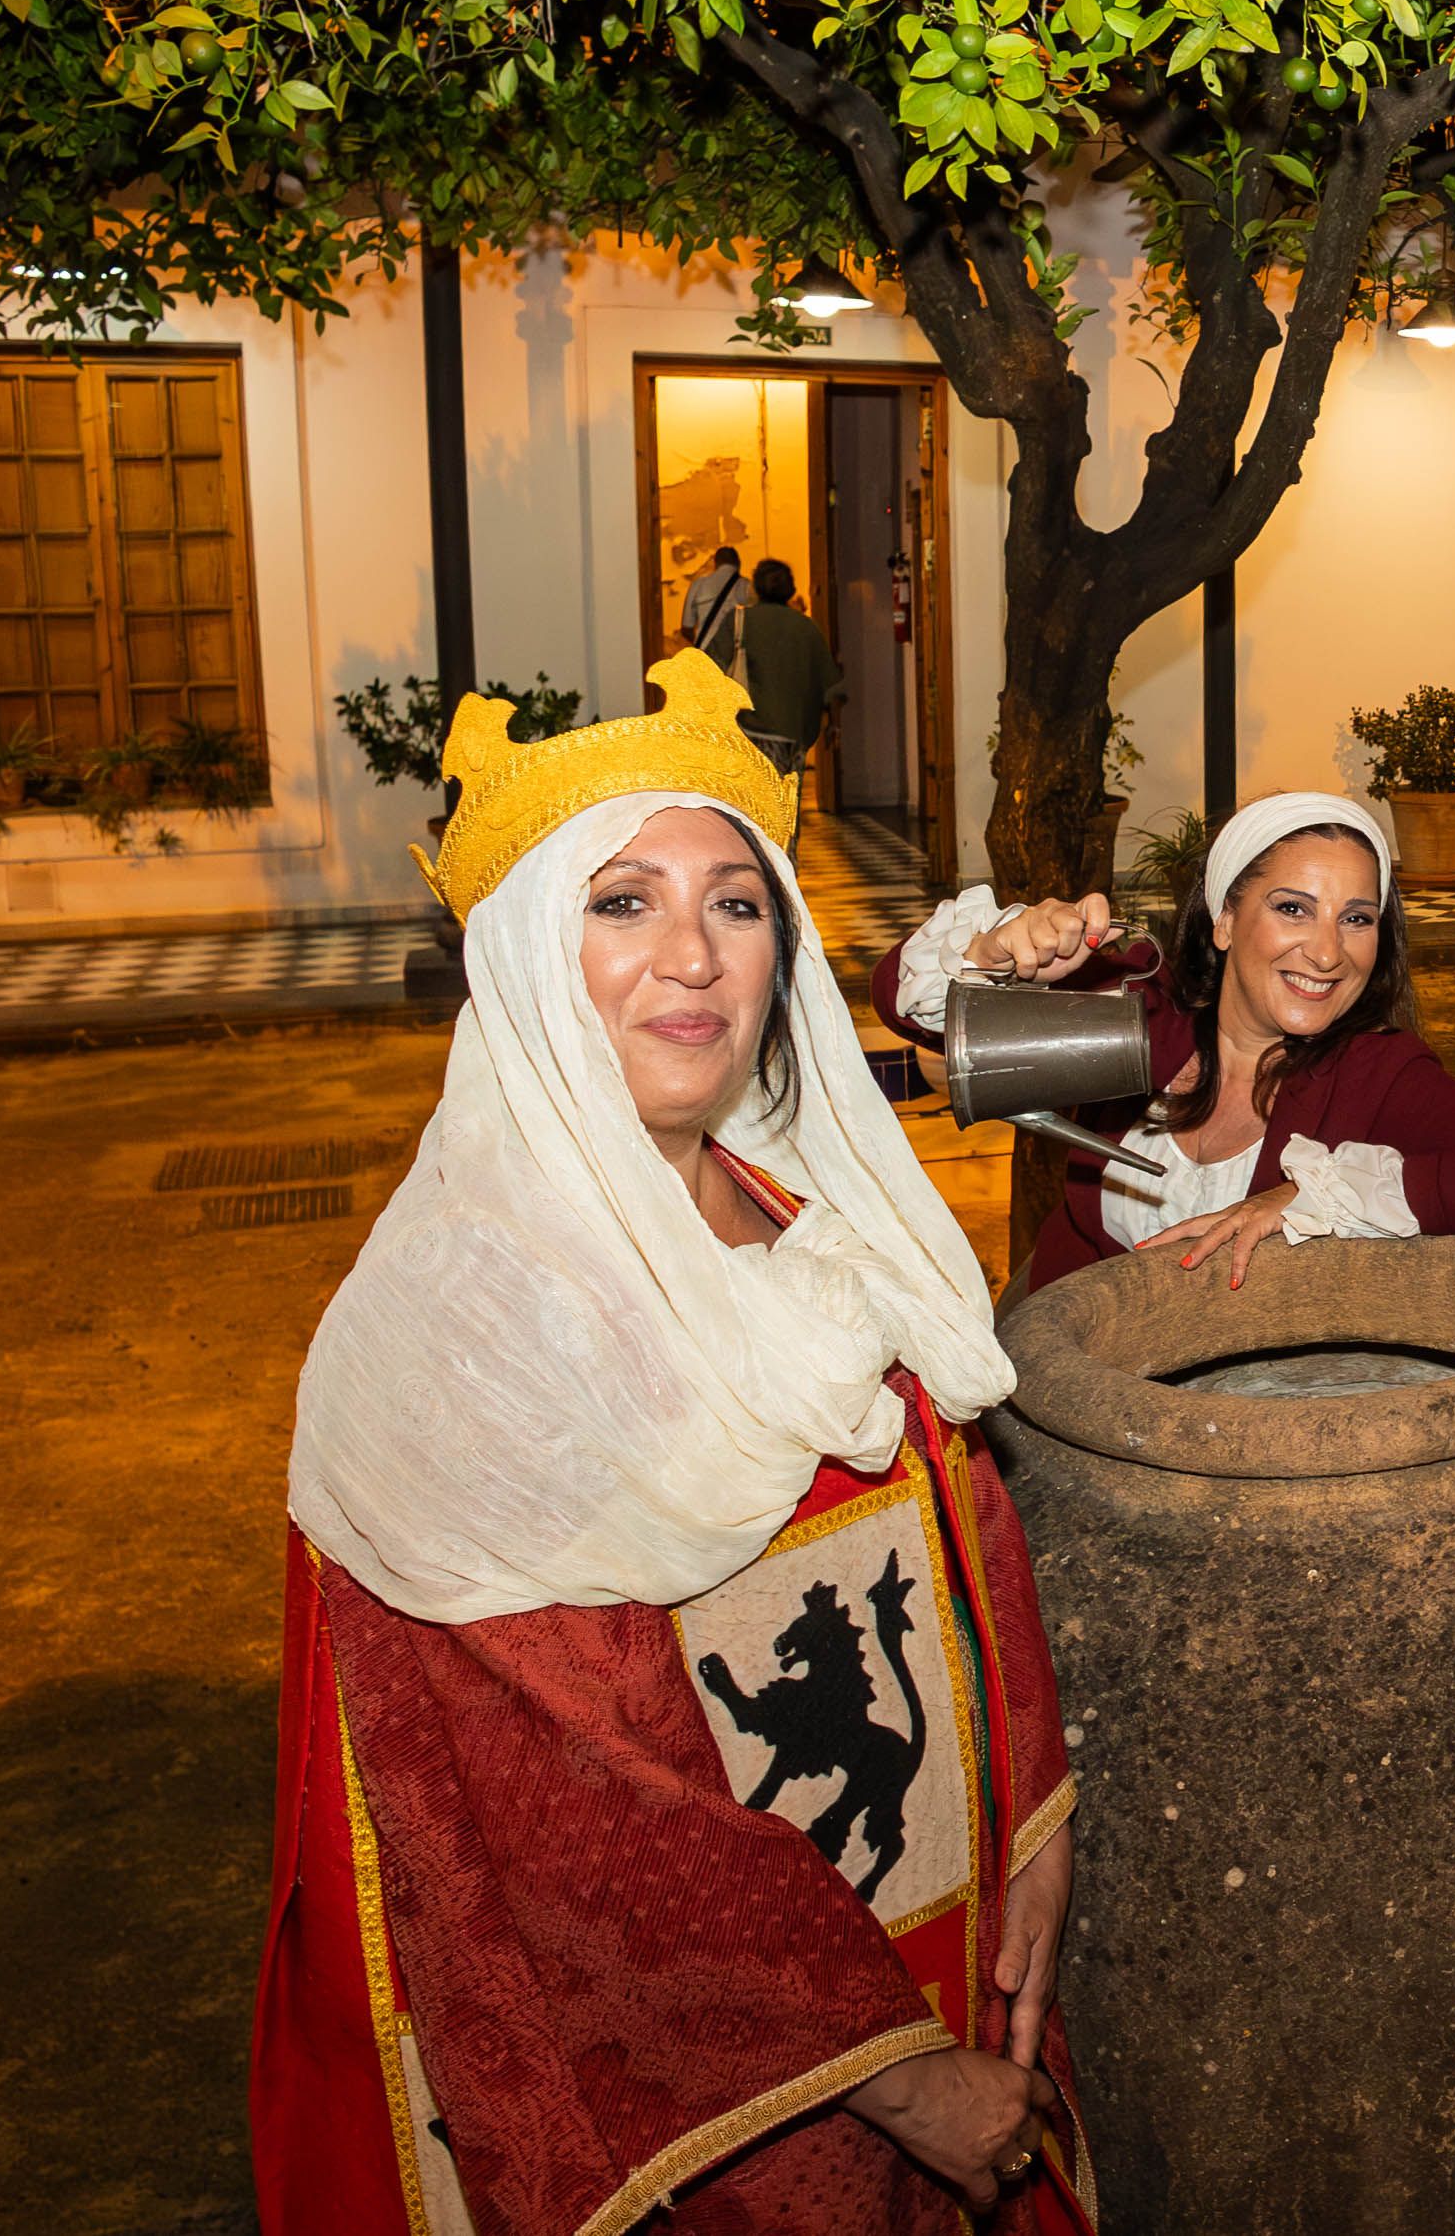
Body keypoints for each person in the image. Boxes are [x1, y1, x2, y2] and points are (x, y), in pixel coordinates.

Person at [254, 654, 1095, 2233]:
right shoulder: (459, 1347)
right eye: (621, 902)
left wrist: (1032, 1814)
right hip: (723, 2086)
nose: (692, 956)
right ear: (517, 957)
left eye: (736, 900)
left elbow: (966, 1516)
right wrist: (911, 2079)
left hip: (929, 1937)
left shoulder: (807, 1218)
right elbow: (577, 1813)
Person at [874, 792, 1455, 1302]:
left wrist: (1310, 1192)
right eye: (1292, 909)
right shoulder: (1136, 1015)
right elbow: (909, 1008)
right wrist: (997, 952)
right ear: (1222, 921)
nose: (1327, 950)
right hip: (1072, 1369)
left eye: (1357, 917)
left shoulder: (1378, 1070)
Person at [735, 557, 843, 802]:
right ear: (790, 589)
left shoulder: (739, 623)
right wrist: (833, 725)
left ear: (756, 588)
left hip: (749, 728)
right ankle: (786, 840)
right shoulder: (807, 628)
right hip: (794, 731)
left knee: (754, 803)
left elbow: (708, 668)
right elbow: (831, 685)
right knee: (787, 802)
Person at [680, 543, 749, 670]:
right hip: (734, 658)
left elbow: (686, 628)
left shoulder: (698, 585)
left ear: (716, 563)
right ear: (738, 563)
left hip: (704, 655)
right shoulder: (746, 586)